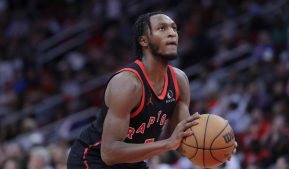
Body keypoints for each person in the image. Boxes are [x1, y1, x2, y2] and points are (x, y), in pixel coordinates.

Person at [67, 11, 237, 169]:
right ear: (144, 41)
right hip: (92, 159)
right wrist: (168, 144)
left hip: (132, 162)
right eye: (162, 28)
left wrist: (217, 148)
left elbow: (184, 143)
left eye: (174, 28)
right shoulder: (128, 84)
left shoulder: (179, 81)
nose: (172, 33)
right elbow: (109, 153)